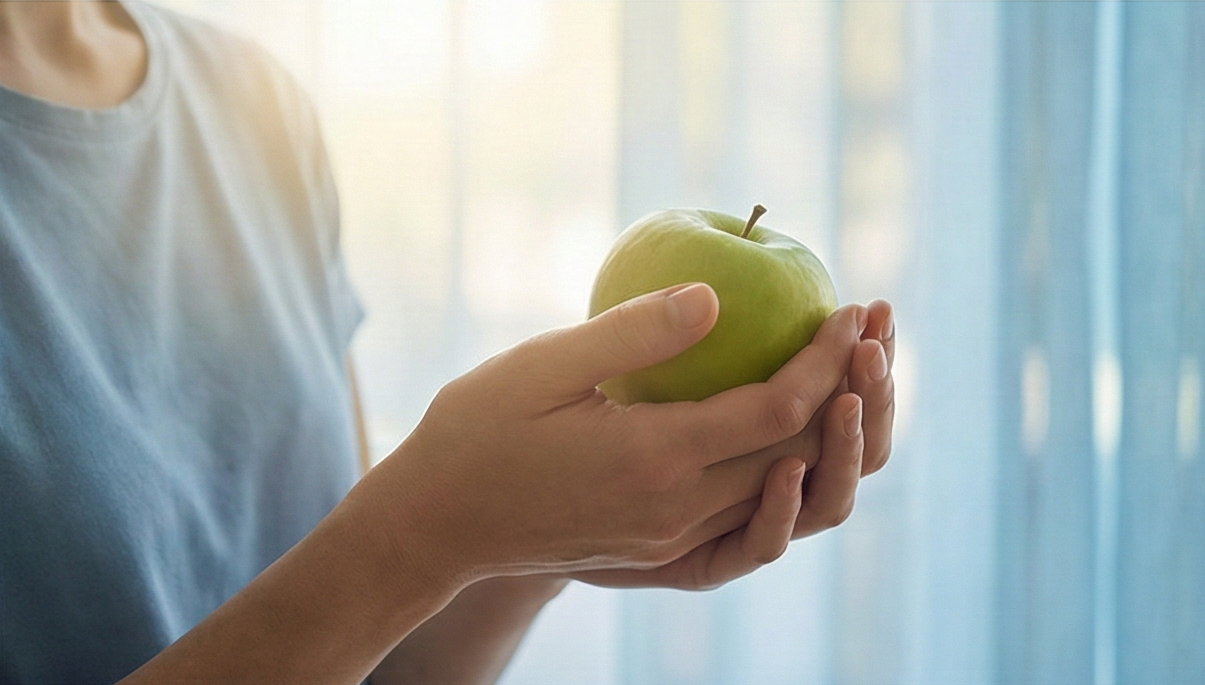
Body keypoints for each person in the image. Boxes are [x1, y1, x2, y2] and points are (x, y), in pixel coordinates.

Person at [0, 2, 896, 684]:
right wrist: (424, 535)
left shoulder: (249, 105)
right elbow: (393, 557)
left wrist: (535, 544)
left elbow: (368, 658)